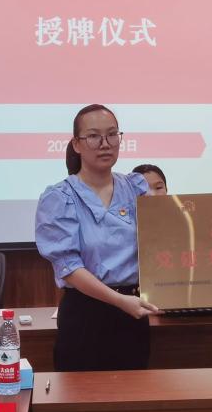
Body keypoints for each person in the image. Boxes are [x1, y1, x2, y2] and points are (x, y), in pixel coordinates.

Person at [36, 104, 160, 371]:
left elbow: (167, 234)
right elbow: (69, 268)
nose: (105, 144)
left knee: (133, 395)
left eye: (112, 134)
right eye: (93, 136)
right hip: (85, 317)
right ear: (76, 144)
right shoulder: (59, 197)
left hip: (133, 313)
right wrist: (119, 301)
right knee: (81, 395)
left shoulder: (135, 188)